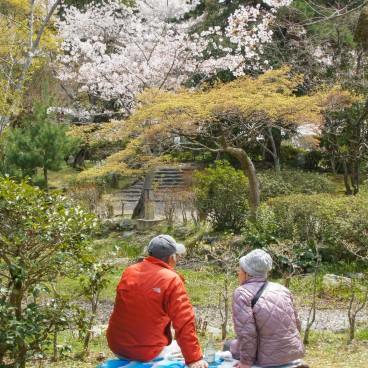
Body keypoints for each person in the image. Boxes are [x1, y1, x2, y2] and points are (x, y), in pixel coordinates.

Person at [106, 234, 208, 368]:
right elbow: (184, 322)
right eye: (177, 256)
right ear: (172, 258)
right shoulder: (171, 279)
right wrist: (194, 359)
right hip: (147, 352)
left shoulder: (130, 271)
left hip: (117, 347)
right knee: (180, 349)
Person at [230, 249, 306, 368]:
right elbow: (297, 324)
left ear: (247, 273)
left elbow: (247, 333)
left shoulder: (242, 293)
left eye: (239, 269)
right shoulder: (282, 289)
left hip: (266, 359)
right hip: (292, 354)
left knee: (228, 346)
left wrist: (245, 363)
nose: (238, 273)